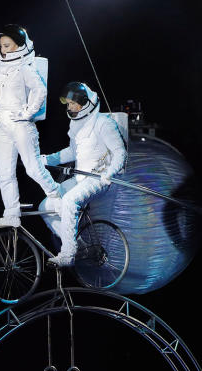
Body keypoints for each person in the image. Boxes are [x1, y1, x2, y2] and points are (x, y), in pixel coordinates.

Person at [40, 81, 127, 266]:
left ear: (84, 103)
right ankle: (78, 245)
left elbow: (120, 152)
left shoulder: (103, 123)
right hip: (81, 178)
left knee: (70, 201)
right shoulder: (77, 125)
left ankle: (68, 255)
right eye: (68, 104)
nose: (70, 107)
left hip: (99, 178)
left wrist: (109, 173)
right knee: (45, 206)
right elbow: (72, 152)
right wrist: (47, 159)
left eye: (73, 104)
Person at [0, 24, 62, 229]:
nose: (3, 49)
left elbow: (39, 90)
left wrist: (27, 113)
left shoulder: (24, 67)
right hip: (2, 124)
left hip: (20, 123)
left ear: (18, 46)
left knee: (32, 167)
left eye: (7, 45)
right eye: (1, 46)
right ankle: (11, 212)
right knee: (3, 171)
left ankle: (56, 194)